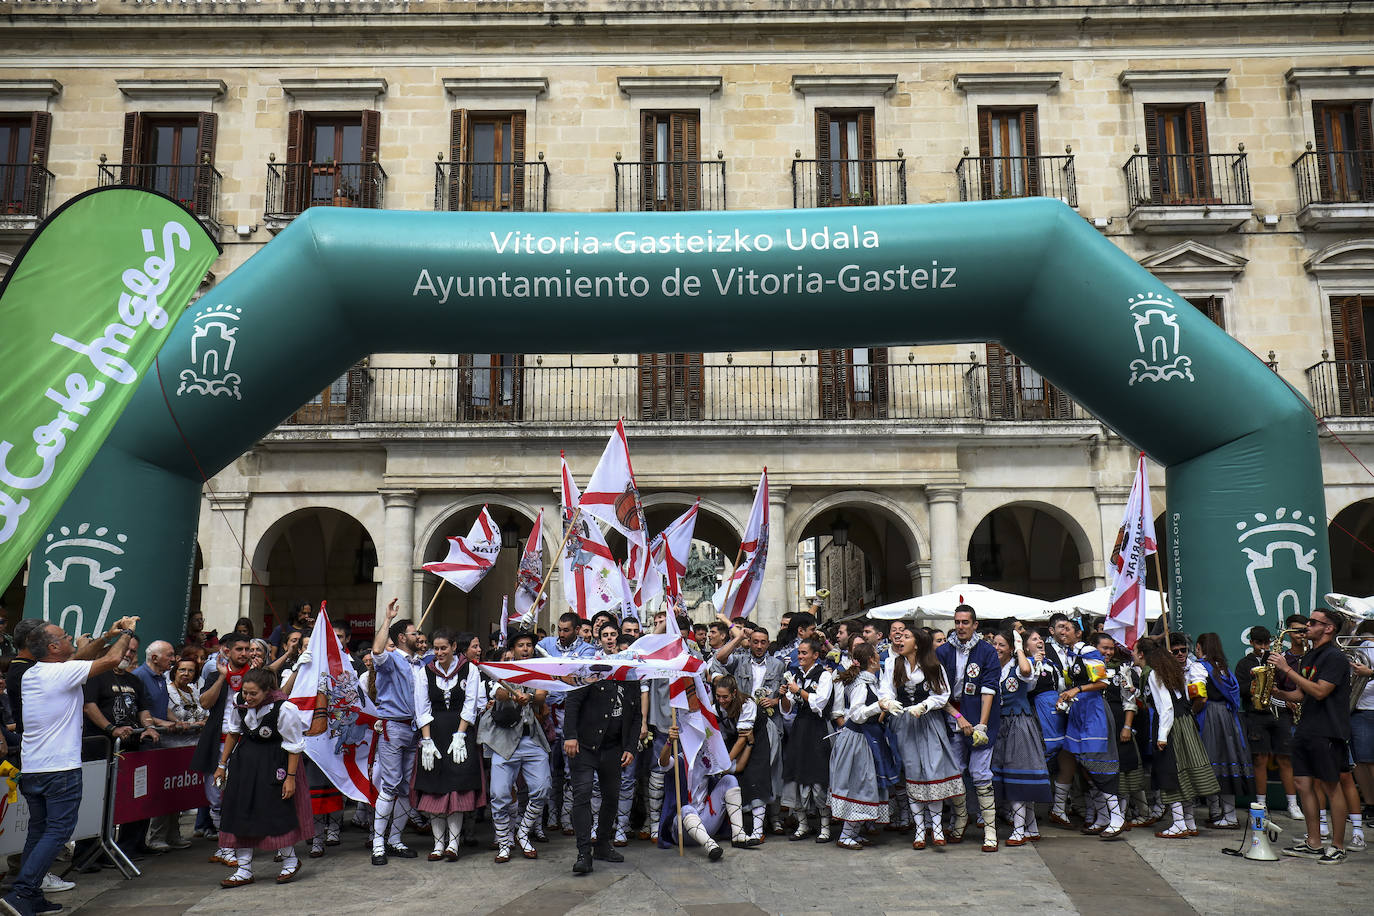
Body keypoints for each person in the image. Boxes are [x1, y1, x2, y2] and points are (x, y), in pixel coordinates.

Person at [2, 616, 138, 916]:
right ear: (53, 647)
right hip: (59, 768)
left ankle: (32, 894)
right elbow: (115, 658)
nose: (71, 639)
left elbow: (83, 656)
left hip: (35, 767)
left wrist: (106, 635)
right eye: (64, 636)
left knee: (39, 831)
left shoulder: (36, 673)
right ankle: (23, 892)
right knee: (58, 831)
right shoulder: (61, 673)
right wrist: (127, 631)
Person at [214, 667, 313, 887]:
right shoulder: (240, 702)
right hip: (244, 765)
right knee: (242, 811)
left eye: (253, 694)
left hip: (274, 763)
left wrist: (290, 778)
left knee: (275, 811)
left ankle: (290, 860)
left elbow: (294, 746)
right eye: (245, 692)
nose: (247, 698)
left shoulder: (285, 708)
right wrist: (222, 765)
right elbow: (233, 733)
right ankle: (244, 869)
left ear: (267, 691)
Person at [1271, 606, 1354, 864]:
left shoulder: (1334, 658)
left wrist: (1287, 669)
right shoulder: (1309, 657)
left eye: (1313, 622)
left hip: (1328, 730)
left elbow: (1320, 692)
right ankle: (1314, 842)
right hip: (1306, 727)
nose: (1306, 626)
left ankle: (1338, 845)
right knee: (1303, 785)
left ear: (1328, 628)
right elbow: (1301, 694)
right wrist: (1274, 692)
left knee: (1331, 787)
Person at [879, 626, 962, 849]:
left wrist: (925, 705)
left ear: (917, 644)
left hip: (929, 722)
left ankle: (935, 827)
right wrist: (888, 702)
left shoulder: (933, 665)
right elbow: (885, 691)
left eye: (906, 637)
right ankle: (919, 829)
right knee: (913, 771)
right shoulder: (892, 664)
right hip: (904, 723)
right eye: (900, 636)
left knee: (932, 770)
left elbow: (943, 694)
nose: (900, 639)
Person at [412, 629, 485, 862]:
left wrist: (461, 735)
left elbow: (471, 704)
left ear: (453, 646)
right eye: (436, 648)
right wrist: (427, 740)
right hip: (434, 734)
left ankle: (453, 844)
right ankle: (437, 844)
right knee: (435, 787)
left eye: (444, 648)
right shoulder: (425, 672)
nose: (439, 652)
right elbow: (421, 707)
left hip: (459, 734)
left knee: (457, 787)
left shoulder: (470, 669)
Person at [479, 629, 551, 863]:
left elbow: (542, 695)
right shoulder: (503, 669)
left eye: (529, 644)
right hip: (505, 741)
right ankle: (504, 841)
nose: (525, 649)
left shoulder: (539, 669)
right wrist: (511, 695)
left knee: (542, 788)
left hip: (531, 740)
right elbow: (498, 693)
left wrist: (529, 698)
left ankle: (522, 831)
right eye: (521, 645)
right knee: (499, 794)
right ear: (512, 649)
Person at [563, 658, 640, 875]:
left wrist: (631, 747)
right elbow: (573, 701)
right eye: (605, 635)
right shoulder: (590, 669)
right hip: (584, 746)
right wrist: (570, 736)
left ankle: (603, 845)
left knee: (612, 796)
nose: (609, 639)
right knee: (583, 793)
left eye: (613, 636)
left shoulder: (630, 677)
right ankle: (583, 852)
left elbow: (636, 716)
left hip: (613, 748)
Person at [936, 604, 1002, 851]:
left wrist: (981, 725)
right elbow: (939, 690)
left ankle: (990, 830)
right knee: (955, 772)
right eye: (957, 622)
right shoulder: (943, 651)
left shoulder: (986, 651)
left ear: (975, 625)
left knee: (980, 773)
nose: (961, 626)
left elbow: (989, 687)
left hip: (982, 716)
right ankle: (961, 819)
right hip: (953, 716)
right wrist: (958, 718)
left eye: (965, 622)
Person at [1141, 637, 1218, 839]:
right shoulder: (1177, 673)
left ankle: (1178, 824)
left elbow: (1165, 707)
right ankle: (1190, 822)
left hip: (1172, 726)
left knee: (1171, 773)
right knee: (1187, 774)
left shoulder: (1155, 675)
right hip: (1186, 722)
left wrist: (1162, 736)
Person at [714, 621, 786, 833]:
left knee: (772, 769)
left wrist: (775, 701)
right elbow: (720, 658)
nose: (759, 646)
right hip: (742, 722)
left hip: (769, 722)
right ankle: (749, 821)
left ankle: (774, 818)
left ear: (768, 644)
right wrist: (737, 638)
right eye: (755, 642)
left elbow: (783, 694)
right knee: (748, 772)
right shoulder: (740, 661)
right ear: (750, 643)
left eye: (763, 642)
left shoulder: (778, 665)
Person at [827, 643, 898, 850]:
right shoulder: (860, 684)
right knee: (859, 784)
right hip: (858, 740)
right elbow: (856, 714)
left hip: (867, 737)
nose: (880, 657)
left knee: (865, 783)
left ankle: (854, 832)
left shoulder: (870, 681)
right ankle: (846, 834)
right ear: (872, 660)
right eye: (877, 654)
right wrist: (879, 706)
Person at [369, 598, 423, 865]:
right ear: (402, 638)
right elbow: (377, 650)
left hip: (414, 730)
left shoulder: (419, 663)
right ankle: (378, 843)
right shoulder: (390, 660)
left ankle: (395, 840)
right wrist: (388, 619)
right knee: (390, 785)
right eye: (414, 634)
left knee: (405, 787)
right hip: (394, 726)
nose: (419, 637)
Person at [193, 634, 253, 867]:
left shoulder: (255, 674)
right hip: (215, 744)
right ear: (226, 651)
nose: (244, 653)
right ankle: (225, 845)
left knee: (239, 798)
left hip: (245, 744)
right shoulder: (213, 674)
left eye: (247, 649)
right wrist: (222, 678)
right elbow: (205, 703)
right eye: (239, 649)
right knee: (215, 798)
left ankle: (231, 848)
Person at [1235, 625, 1303, 819]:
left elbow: (1287, 684)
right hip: (1256, 714)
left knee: (1285, 758)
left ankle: (1292, 804)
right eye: (1259, 643)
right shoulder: (1243, 664)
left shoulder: (1276, 660)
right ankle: (1261, 804)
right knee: (1260, 759)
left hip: (1280, 713)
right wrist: (1256, 680)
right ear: (1251, 643)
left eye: (1266, 643)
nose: (1263, 647)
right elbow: (1240, 690)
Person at [990, 630, 1051, 846]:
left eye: (1002, 645)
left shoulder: (1020, 667)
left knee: (1019, 773)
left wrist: (1019, 648)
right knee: (1010, 774)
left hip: (1019, 723)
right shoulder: (993, 669)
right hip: (1001, 725)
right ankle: (1031, 826)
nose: (997, 648)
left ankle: (1019, 830)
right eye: (994, 644)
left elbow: (1026, 669)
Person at [1192, 632, 1255, 828]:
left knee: (1210, 763)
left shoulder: (1199, 667)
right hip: (1229, 718)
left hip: (1209, 716)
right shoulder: (1224, 668)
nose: (1195, 650)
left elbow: (1200, 697)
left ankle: (1217, 813)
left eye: (1197, 646)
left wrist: (1192, 713)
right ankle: (1229, 815)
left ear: (1201, 647)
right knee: (1228, 763)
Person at [781, 636, 836, 842]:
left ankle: (825, 827)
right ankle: (802, 825)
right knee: (797, 774)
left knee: (818, 775)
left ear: (815, 655)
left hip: (817, 728)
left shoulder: (824, 676)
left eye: (804, 653)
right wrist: (784, 695)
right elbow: (787, 709)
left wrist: (799, 691)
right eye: (799, 653)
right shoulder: (794, 675)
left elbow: (819, 703)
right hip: (799, 728)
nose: (800, 656)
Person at [712, 674, 773, 847]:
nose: (721, 700)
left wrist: (724, 763)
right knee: (738, 778)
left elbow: (743, 738)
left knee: (756, 778)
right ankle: (739, 828)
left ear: (733, 693)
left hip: (760, 736)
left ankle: (758, 831)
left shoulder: (747, 705)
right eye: (718, 696)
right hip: (735, 739)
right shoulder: (716, 707)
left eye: (725, 697)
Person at [1095, 632, 1148, 825]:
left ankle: (1122, 816)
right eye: (1104, 648)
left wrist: (1127, 726)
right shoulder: (1086, 668)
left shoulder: (1121, 671)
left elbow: (1129, 701)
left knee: (1124, 771)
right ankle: (1102, 816)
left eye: (1111, 648)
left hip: (1119, 726)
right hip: (1097, 729)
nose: (1108, 652)